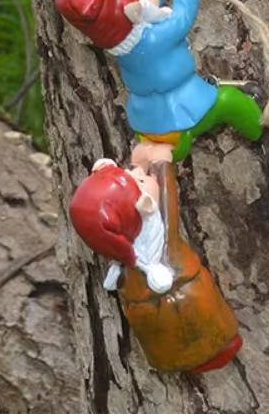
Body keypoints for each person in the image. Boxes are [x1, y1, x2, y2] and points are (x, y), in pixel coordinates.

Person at [55, 0, 262, 160]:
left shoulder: (122, 42)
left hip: (147, 124)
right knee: (228, 100)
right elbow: (182, 17)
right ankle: (258, 129)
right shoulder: (153, 39)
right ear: (132, 11)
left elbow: (148, 1)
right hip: (177, 115)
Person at [69, 149, 243, 374]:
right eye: (140, 180)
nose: (140, 172)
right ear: (142, 206)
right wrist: (162, 163)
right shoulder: (163, 244)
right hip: (196, 307)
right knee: (206, 329)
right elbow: (169, 199)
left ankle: (186, 358)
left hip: (163, 336)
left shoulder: (126, 265)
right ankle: (210, 348)